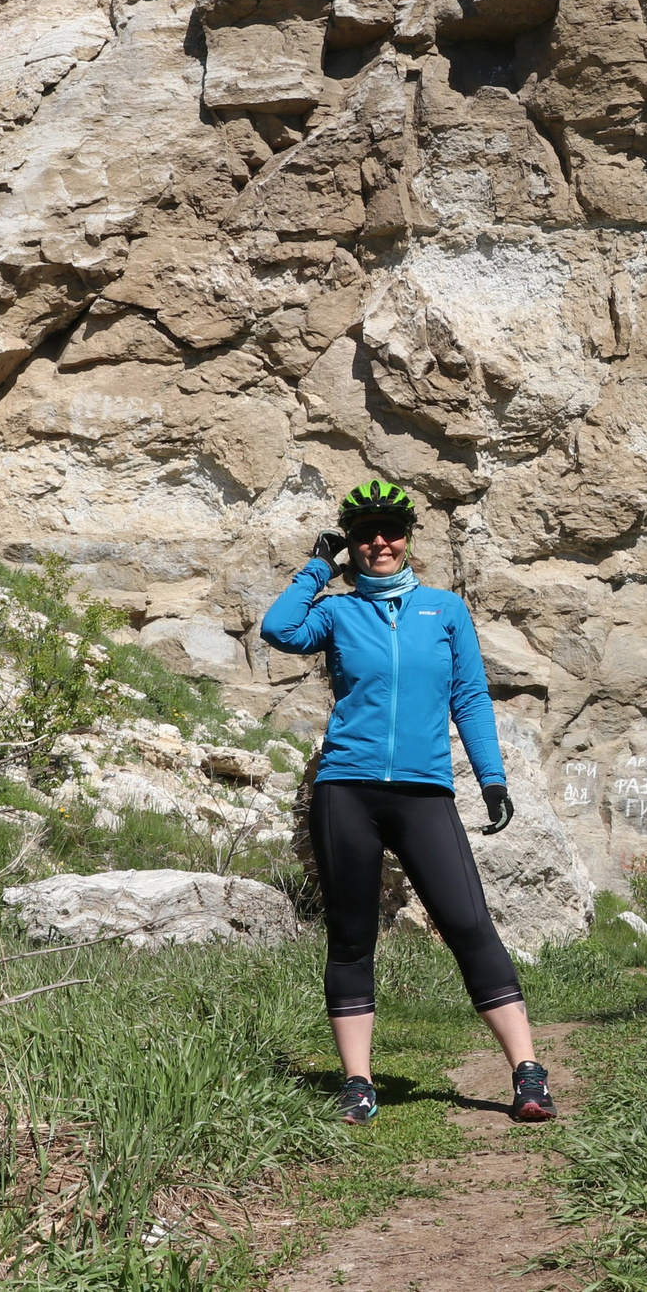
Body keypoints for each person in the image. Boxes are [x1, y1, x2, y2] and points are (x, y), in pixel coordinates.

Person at [260, 479, 557, 1127]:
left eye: (390, 530)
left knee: (470, 924)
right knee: (351, 937)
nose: (378, 542)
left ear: (408, 536)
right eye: (364, 532)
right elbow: (278, 627)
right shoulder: (337, 612)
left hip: (424, 793)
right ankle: (359, 1083)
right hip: (346, 790)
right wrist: (318, 563)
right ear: (353, 543)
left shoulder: (444, 610)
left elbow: (471, 697)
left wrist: (493, 778)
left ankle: (528, 1071)